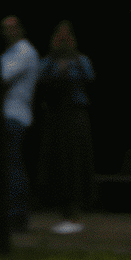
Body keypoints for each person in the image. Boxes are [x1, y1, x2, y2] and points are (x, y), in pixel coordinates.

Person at [33, 23, 96, 231]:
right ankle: (59, 209)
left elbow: (89, 78)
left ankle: (76, 211)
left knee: (76, 163)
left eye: (66, 36)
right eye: (58, 36)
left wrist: (68, 69)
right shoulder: (46, 62)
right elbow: (39, 79)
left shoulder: (81, 60)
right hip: (54, 118)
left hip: (75, 117)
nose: (62, 40)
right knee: (56, 163)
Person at [0, 14, 39, 230]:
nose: (8, 32)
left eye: (12, 27)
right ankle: (13, 212)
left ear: (21, 29)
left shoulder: (24, 52)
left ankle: (17, 214)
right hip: (8, 114)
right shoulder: (11, 53)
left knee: (11, 163)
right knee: (9, 163)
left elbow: (1, 78)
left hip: (14, 115)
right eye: (4, 28)